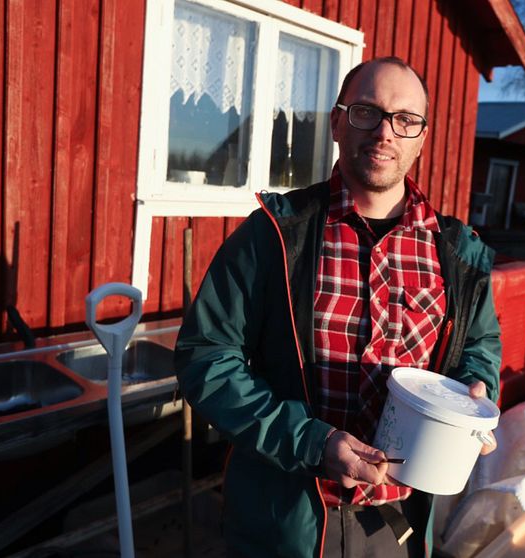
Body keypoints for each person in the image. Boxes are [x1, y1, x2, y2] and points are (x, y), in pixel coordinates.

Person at [176, 56, 502, 558]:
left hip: (399, 524)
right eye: (365, 112)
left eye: (405, 119)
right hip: (287, 521)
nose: (385, 132)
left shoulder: (457, 253)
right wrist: (309, 441)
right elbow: (206, 358)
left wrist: (476, 395)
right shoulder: (274, 235)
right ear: (336, 122)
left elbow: (479, 348)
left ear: (421, 136)